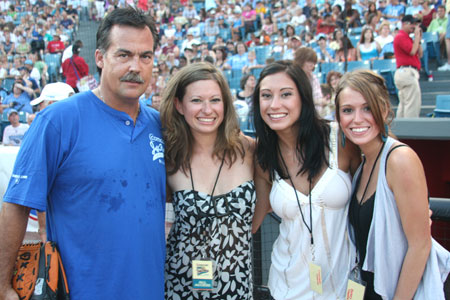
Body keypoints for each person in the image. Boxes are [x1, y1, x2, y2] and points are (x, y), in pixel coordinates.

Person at [0, 7, 166, 300]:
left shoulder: (159, 125)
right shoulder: (57, 121)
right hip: (79, 291)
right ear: (100, 58)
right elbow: (16, 204)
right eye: (124, 55)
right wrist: (2, 287)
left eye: (146, 56)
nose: (136, 67)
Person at [335, 69, 450, 299]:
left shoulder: (399, 160)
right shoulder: (362, 163)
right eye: (348, 110)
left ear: (385, 109)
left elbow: (420, 247)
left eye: (367, 108)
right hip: (367, 289)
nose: (357, 119)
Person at [251, 60, 361, 299]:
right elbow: (254, 220)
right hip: (287, 287)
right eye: (266, 96)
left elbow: (376, 183)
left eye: (286, 94)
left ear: (303, 97)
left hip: (345, 286)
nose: (274, 104)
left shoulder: (340, 140)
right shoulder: (263, 155)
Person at [160, 62, 257, 299]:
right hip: (181, 285)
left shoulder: (250, 151)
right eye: (196, 101)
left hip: (237, 285)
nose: (207, 109)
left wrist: (239, 232)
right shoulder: (168, 159)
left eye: (215, 100)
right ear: (179, 105)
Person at [393, 15, 423, 118]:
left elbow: (420, 53)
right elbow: (412, 51)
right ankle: (411, 131)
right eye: (412, 24)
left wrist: (417, 39)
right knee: (412, 104)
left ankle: (400, 131)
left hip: (406, 72)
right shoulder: (401, 36)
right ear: (404, 24)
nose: (414, 26)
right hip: (406, 71)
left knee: (404, 104)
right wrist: (417, 37)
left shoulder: (408, 38)